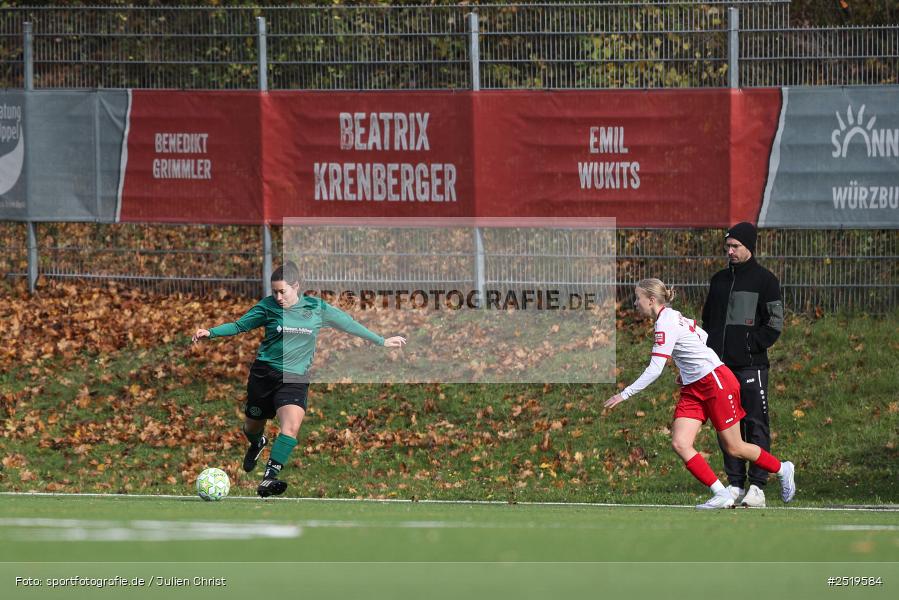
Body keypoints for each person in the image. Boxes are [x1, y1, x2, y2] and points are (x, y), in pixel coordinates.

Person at [192, 261, 406, 498]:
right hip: (264, 375)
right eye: (274, 292)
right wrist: (210, 332)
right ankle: (257, 443)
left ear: (296, 286)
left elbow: (348, 324)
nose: (278, 296)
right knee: (252, 426)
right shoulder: (267, 307)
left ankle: (268, 478)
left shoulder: (316, 308)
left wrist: (381, 341)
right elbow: (239, 325)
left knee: (291, 428)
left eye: (282, 291)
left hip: (295, 377)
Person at [604, 278, 795, 509]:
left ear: (651, 300)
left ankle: (783, 468)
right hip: (694, 386)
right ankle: (721, 493)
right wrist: (686, 371)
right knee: (680, 442)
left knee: (734, 447)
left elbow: (655, 369)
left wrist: (624, 394)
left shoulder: (666, 322)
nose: (635, 303)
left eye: (638, 298)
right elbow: (702, 336)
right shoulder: (673, 315)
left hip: (715, 382)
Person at [702, 222, 784, 508]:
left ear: (749, 246)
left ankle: (758, 487)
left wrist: (749, 346)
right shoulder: (718, 280)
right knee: (728, 426)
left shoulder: (766, 281)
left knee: (756, 425)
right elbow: (707, 320)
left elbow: (774, 324)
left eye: (735, 246)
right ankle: (735, 484)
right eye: (727, 246)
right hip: (720, 368)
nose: (730, 251)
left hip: (751, 368)